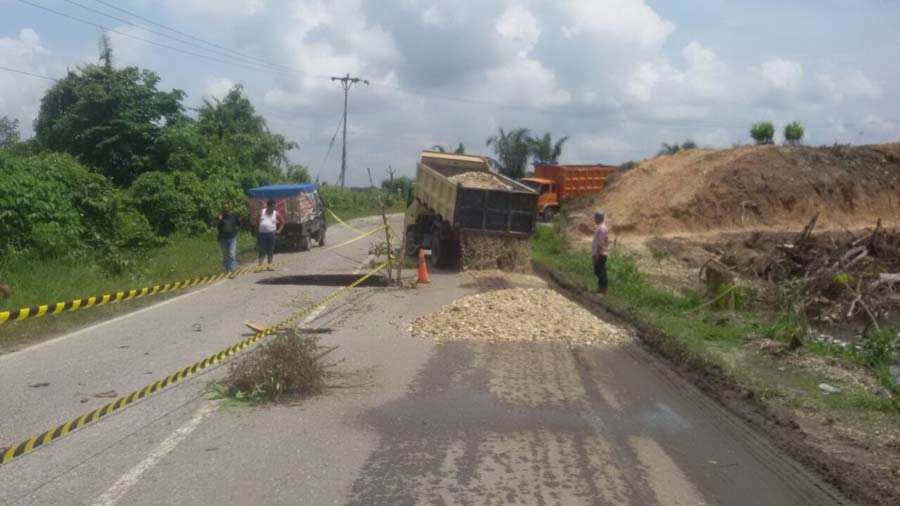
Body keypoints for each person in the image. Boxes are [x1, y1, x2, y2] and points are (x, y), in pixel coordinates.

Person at [257, 198, 284, 271]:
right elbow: (257, 222)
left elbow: (282, 222)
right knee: (262, 250)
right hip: (262, 234)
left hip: (271, 234)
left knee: (270, 250)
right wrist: (257, 232)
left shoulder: (276, 213)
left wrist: (279, 230)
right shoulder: (262, 212)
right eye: (272, 206)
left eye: (274, 206)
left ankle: (269, 266)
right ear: (268, 206)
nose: (273, 208)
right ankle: (260, 267)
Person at [216, 203, 239, 273]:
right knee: (225, 256)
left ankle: (232, 270)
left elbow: (239, 223)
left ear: (229, 208)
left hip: (232, 238)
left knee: (232, 254)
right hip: (223, 239)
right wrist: (219, 220)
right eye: (224, 207)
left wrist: (236, 230)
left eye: (227, 207)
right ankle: (228, 270)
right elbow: (217, 226)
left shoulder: (233, 216)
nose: (226, 209)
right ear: (222, 209)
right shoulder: (219, 217)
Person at [591, 211, 609, 294]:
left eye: (595, 217)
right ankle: (601, 288)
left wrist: (597, 254)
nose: (594, 219)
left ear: (598, 218)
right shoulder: (600, 227)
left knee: (601, 271)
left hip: (600, 253)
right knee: (598, 271)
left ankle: (603, 289)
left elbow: (600, 242)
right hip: (599, 253)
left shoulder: (602, 228)